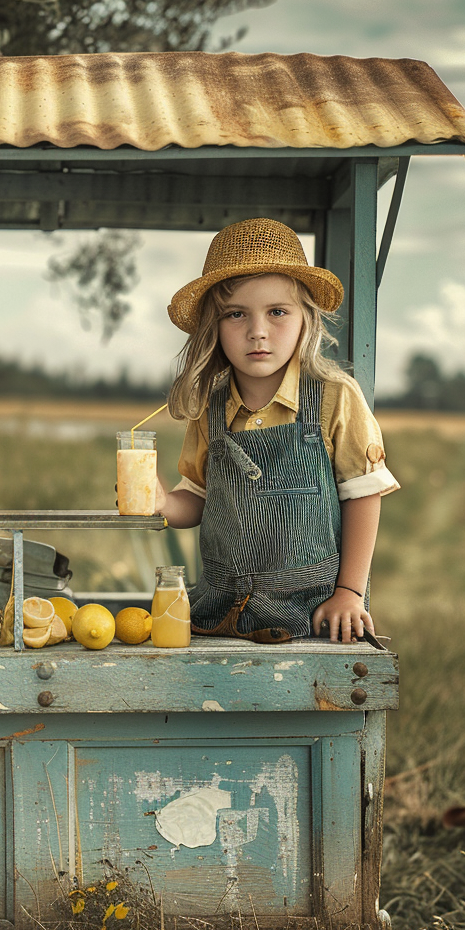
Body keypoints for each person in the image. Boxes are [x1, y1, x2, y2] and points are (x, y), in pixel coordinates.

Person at [157, 217, 399, 643]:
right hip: (217, 621)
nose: (258, 332)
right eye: (236, 315)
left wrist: (349, 592)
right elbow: (196, 499)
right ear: (214, 326)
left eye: (277, 312)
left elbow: (363, 493)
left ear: (306, 319)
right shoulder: (210, 409)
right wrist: (160, 502)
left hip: (313, 619)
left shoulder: (333, 396)